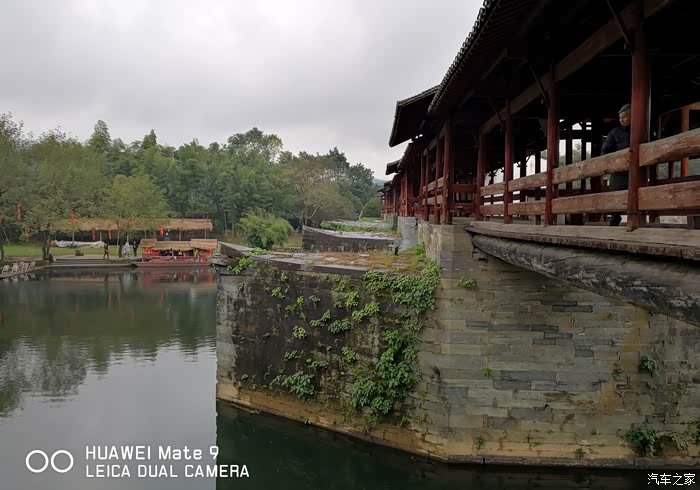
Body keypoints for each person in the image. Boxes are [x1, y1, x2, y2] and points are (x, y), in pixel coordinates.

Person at [601, 103, 631, 226]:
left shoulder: (642, 128)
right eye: (620, 118)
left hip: (637, 169)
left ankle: (637, 217)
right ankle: (615, 217)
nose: (622, 120)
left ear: (632, 116)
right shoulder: (615, 132)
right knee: (615, 194)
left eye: (625, 117)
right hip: (619, 170)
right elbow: (604, 151)